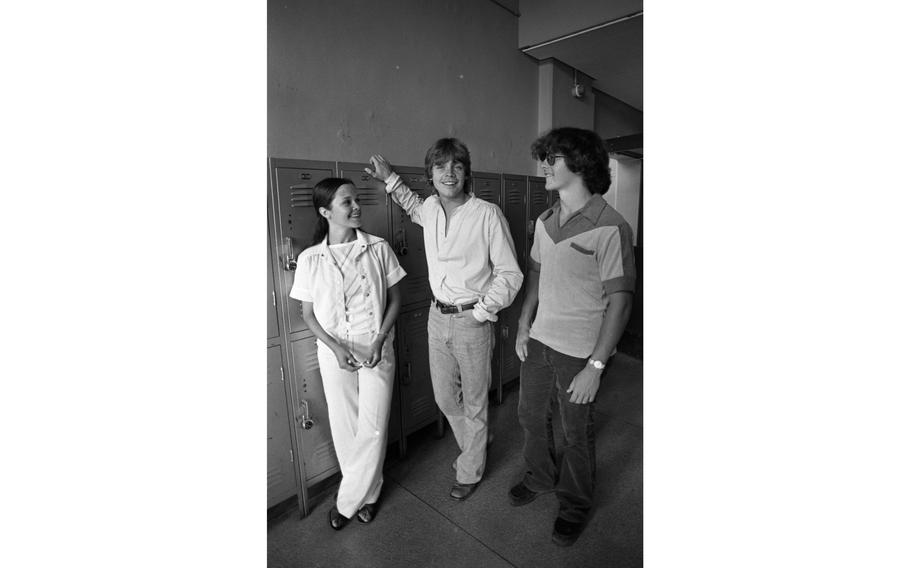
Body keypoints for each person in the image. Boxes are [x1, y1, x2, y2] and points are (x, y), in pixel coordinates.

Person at [365, 139, 523, 501]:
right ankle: (476, 443)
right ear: (431, 175)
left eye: (456, 166)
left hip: (473, 320)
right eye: (440, 167)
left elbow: (510, 273)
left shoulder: (487, 213)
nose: (448, 173)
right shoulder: (431, 209)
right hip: (437, 317)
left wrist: (483, 312)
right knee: (444, 399)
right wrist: (389, 179)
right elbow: (410, 204)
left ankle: (470, 471)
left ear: (467, 172)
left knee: (475, 402)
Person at [510, 127, 636, 546]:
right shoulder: (546, 221)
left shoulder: (610, 226)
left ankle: (576, 503)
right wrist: (525, 324)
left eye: (553, 158)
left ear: (580, 165)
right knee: (529, 416)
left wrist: (596, 367)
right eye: (543, 157)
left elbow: (620, 301)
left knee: (575, 433)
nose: (543, 165)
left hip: (580, 352)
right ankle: (541, 477)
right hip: (541, 341)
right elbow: (536, 274)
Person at [289, 177, 406, 530]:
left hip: (375, 345)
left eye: (356, 200)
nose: (356, 207)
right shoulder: (310, 258)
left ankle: (347, 503)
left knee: (372, 428)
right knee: (345, 427)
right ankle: (370, 495)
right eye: (346, 202)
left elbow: (397, 299)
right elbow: (308, 314)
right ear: (326, 212)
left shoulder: (379, 247)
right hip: (334, 351)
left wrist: (380, 340)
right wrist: (337, 349)